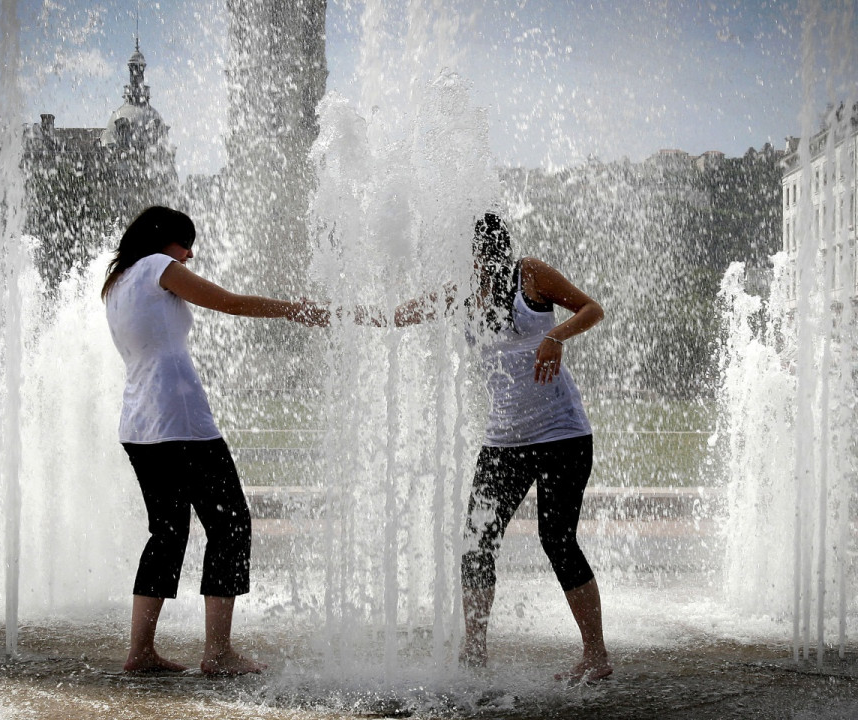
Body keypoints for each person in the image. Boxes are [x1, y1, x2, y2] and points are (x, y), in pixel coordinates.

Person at [372, 212, 610, 682]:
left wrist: (554, 336)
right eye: (474, 253)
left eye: (484, 251)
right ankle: (474, 652)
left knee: (557, 540)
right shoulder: (461, 292)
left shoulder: (530, 274)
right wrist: (333, 312)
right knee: (476, 541)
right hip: (505, 439)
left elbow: (591, 309)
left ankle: (596, 656)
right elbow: (398, 317)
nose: (479, 261)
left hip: (562, 434)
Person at [102, 205, 327, 676]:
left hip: (140, 423)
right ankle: (218, 653)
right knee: (230, 523)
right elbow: (229, 302)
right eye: (188, 244)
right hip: (179, 419)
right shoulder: (158, 268)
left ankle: (140, 652)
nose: (190, 255)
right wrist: (297, 310)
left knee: (167, 533)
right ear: (169, 241)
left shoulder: (118, 281)